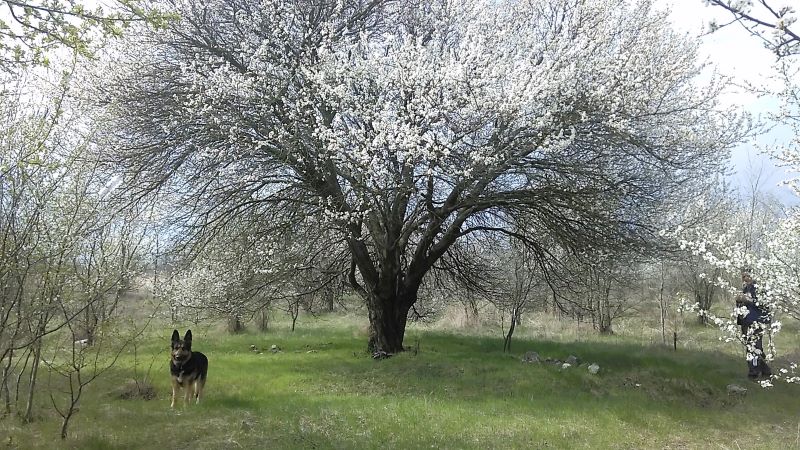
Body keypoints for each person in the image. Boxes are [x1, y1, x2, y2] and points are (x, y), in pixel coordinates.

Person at [737, 272, 772, 380]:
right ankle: (765, 370)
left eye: (747, 276)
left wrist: (749, 300)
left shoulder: (759, 288)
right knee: (753, 347)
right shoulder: (745, 289)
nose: (745, 279)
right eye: (743, 277)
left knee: (754, 347)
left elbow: (764, 304)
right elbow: (742, 306)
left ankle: (754, 372)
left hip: (756, 321)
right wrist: (738, 301)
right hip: (746, 322)